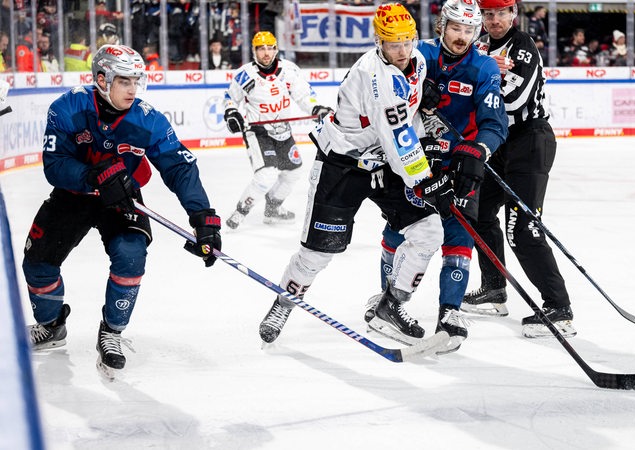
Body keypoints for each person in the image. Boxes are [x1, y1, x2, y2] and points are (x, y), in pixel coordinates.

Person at [258, 3, 453, 346]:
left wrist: (423, 102)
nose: (403, 50)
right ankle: (283, 303)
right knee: (318, 253)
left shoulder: (417, 62)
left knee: (428, 231)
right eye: (394, 44)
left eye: (408, 41)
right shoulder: (373, 77)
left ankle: (391, 306)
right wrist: (424, 180)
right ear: (379, 41)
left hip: (382, 163)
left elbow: (403, 122)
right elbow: (397, 138)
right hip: (343, 165)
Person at [22, 44, 222, 375]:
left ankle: (112, 332)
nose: (133, 89)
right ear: (101, 79)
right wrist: (91, 176)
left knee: (131, 255)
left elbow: (179, 167)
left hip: (122, 197)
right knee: (37, 263)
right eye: (124, 81)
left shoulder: (148, 120)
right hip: (75, 193)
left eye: (136, 81)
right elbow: (54, 164)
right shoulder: (68, 107)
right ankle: (51, 325)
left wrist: (203, 218)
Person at [368, 0, 507, 353]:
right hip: (415, 162)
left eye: (468, 30)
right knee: (400, 228)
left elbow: (495, 122)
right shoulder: (418, 55)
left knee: (460, 233)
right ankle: (388, 300)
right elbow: (382, 83)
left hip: (459, 163)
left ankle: (450, 313)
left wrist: (479, 151)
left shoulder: (483, 66)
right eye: (456, 28)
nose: (462, 37)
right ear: (441, 26)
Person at [461, 0, 575, 339]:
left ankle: (559, 307)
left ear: (513, 14)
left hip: (530, 140)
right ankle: (494, 288)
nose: (494, 21)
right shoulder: (480, 46)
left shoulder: (523, 47)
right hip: (500, 143)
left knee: (522, 228)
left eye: (501, 13)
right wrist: (481, 69)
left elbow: (512, 101)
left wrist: (480, 75)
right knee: (478, 214)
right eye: (488, 14)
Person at [223, 31, 332, 229]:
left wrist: (316, 108)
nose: (266, 53)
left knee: (293, 172)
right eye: (261, 48)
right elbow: (230, 98)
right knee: (266, 175)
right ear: (254, 51)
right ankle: (240, 212)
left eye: (270, 48)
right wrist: (231, 112)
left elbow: (304, 96)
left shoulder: (289, 71)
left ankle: (272, 208)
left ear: (276, 49)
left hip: (283, 131)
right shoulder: (246, 74)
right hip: (258, 132)